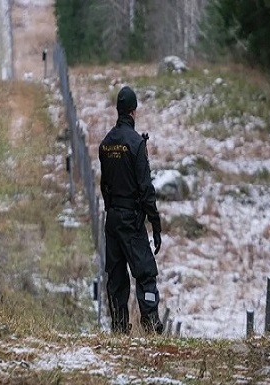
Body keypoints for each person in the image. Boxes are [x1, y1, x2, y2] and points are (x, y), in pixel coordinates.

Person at [99, 86, 163, 335]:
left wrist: (110, 210)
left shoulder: (105, 144)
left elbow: (104, 184)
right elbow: (146, 189)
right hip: (131, 220)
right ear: (133, 112)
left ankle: (118, 326)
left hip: (112, 219)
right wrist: (154, 224)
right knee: (145, 271)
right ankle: (150, 322)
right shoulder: (136, 144)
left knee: (116, 277)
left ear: (118, 110)